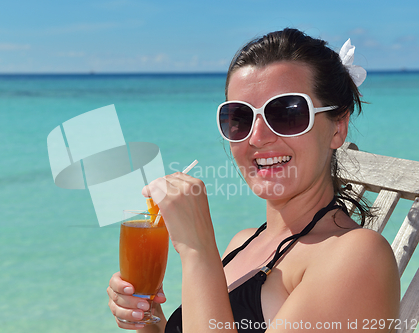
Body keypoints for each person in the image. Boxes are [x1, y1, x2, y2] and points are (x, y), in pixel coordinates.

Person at [107, 28, 400, 332]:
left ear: (338, 127)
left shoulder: (357, 257)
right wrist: (149, 318)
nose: (258, 138)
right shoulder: (243, 243)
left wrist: (197, 249)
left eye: (287, 113)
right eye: (240, 118)